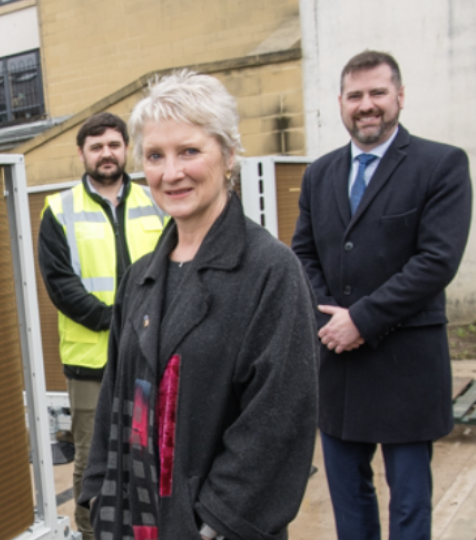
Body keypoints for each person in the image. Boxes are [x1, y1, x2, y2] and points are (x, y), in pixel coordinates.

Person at [78, 71, 319, 540]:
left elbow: (279, 418)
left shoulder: (270, 270)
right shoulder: (142, 276)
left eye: (190, 151)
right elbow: (115, 394)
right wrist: (99, 490)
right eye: (155, 156)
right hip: (135, 521)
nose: (171, 173)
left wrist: (215, 522)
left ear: (228, 155)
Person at [291, 50, 473, 540]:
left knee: (409, 503)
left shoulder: (442, 165)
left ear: (400, 97)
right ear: (340, 103)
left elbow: (437, 261)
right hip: (338, 365)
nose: (366, 105)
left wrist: (362, 320)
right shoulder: (319, 174)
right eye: (356, 95)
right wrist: (331, 317)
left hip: (406, 364)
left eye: (377, 93)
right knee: (348, 500)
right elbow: (302, 254)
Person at [39, 112, 165, 540]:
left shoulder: (157, 200)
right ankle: (93, 534)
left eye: (113, 144)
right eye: (96, 147)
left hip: (156, 353)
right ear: (82, 154)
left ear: (126, 147)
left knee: (155, 452)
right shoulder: (59, 209)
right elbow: (61, 286)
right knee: (92, 460)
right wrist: (121, 321)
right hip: (90, 363)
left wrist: (149, 324)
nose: (106, 153)